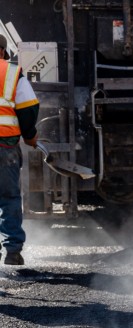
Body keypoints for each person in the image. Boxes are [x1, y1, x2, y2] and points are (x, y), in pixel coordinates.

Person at [0, 35, 39, 266]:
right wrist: (30, 135)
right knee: (9, 198)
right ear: (3, 52)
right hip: (5, 148)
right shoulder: (13, 74)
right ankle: (13, 252)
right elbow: (28, 107)